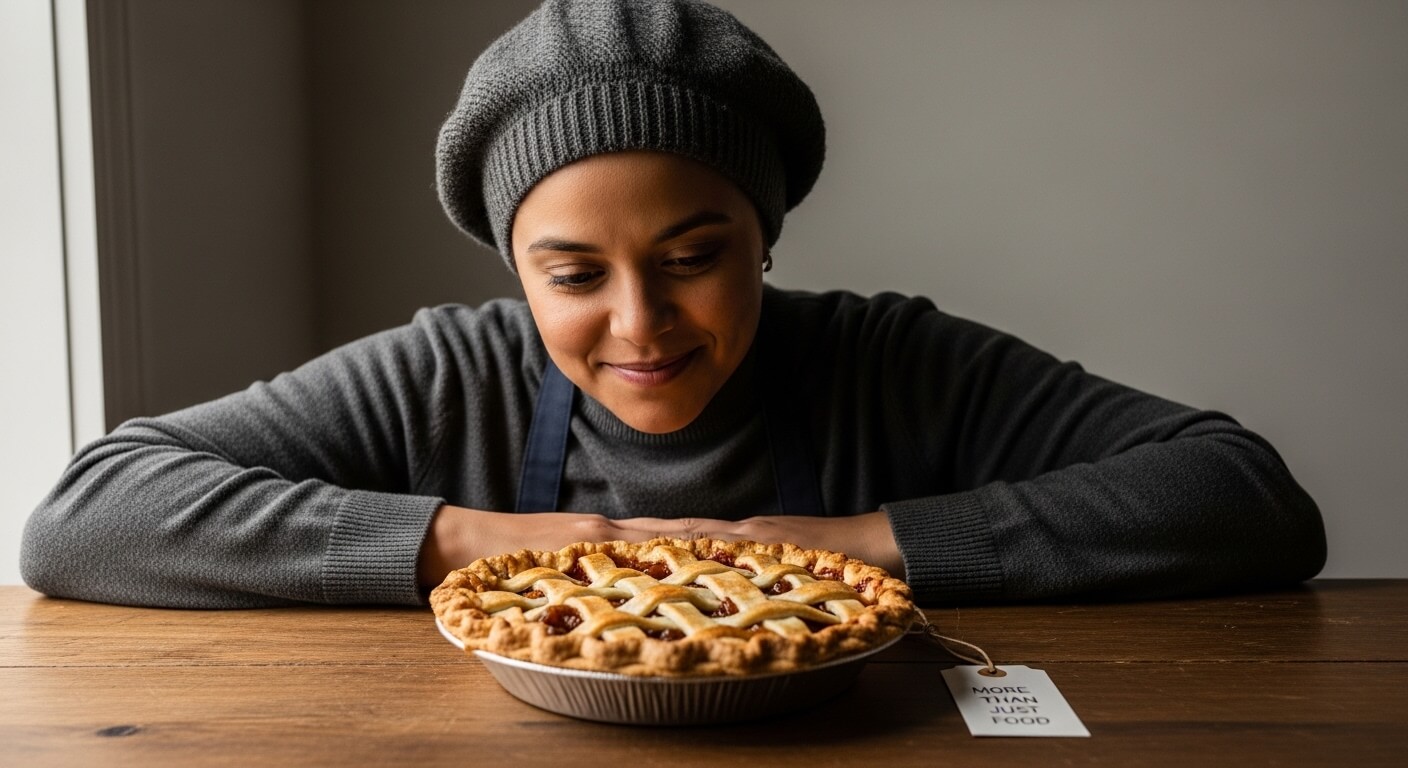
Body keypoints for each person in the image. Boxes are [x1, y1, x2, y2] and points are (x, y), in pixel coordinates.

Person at [21, 0, 1324, 609]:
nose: (640, 326)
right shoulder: (450, 374)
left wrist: (861, 545)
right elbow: (86, 515)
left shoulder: (893, 361)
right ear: (514, 271)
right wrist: (489, 546)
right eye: (574, 276)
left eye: (695, 255)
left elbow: (1245, 494)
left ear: (766, 236)